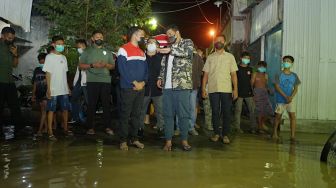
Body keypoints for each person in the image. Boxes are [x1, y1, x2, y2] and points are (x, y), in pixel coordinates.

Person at [157, 25, 194, 151]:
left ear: (177, 33)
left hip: (182, 86)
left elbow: (187, 53)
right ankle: (168, 142)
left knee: (183, 114)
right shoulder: (167, 48)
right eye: (167, 35)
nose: (169, 36)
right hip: (167, 88)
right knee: (167, 114)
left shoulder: (187, 42)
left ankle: (184, 140)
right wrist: (160, 78)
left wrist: (170, 50)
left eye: (170, 33)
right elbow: (163, 66)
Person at [202, 35, 238, 144]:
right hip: (213, 89)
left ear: (225, 42)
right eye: (217, 40)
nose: (219, 42)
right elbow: (206, 75)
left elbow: (233, 74)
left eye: (221, 40)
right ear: (214, 43)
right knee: (215, 112)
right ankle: (217, 133)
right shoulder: (210, 57)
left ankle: (226, 135)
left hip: (226, 89)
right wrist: (203, 88)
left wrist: (235, 89)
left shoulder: (230, 57)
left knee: (227, 112)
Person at [117, 27, 148, 150]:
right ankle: (123, 140)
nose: (143, 37)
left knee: (137, 114)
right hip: (128, 87)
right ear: (134, 35)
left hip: (141, 88)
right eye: (142, 35)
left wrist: (143, 82)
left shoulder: (142, 52)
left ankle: (134, 138)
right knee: (125, 114)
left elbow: (146, 70)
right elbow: (122, 69)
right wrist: (135, 82)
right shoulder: (123, 49)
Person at [79, 30, 115, 136]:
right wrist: (92, 65)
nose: (99, 38)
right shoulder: (87, 51)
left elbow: (113, 66)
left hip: (106, 81)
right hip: (92, 80)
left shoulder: (108, 52)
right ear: (92, 39)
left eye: (101, 37)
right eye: (97, 37)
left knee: (106, 105)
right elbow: (80, 66)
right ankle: (90, 127)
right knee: (91, 105)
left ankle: (107, 127)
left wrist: (105, 65)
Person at [43, 35, 72, 141]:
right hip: (54, 89)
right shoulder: (49, 57)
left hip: (63, 89)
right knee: (51, 110)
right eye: (58, 44)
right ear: (53, 44)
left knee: (65, 109)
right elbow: (48, 74)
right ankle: (50, 131)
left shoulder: (64, 58)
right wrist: (48, 89)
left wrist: (68, 87)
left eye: (62, 44)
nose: (60, 46)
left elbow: (65, 74)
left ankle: (65, 128)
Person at [0, 27, 23, 137]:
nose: (11, 40)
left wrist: (15, 54)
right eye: (9, 38)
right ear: (2, 35)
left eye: (12, 38)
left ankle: (19, 129)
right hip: (0, 81)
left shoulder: (12, 47)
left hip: (9, 81)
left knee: (15, 106)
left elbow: (15, 65)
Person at [139, 37, 164, 136]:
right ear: (146, 45)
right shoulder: (142, 57)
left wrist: (161, 79)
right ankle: (139, 128)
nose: (151, 44)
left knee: (160, 111)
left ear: (158, 46)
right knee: (141, 110)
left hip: (158, 90)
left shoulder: (161, 58)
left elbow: (164, 72)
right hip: (144, 89)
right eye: (149, 42)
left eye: (153, 43)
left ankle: (161, 128)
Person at [273, 55, 301, 141]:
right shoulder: (278, 74)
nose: (286, 63)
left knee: (293, 117)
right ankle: (274, 133)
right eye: (285, 61)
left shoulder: (294, 75)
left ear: (292, 63)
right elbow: (277, 87)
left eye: (288, 61)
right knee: (278, 117)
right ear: (283, 62)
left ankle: (292, 136)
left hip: (290, 100)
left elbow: (296, 88)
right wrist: (286, 97)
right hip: (280, 100)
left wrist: (291, 97)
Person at [233, 52, 257, 133]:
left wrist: (253, 93)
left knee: (252, 110)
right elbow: (233, 80)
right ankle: (237, 127)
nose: (246, 60)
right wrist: (234, 91)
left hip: (249, 93)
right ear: (241, 58)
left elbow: (252, 82)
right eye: (245, 58)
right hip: (239, 93)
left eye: (248, 58)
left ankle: (253, 127)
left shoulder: (251, 69)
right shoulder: (236, 68)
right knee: (238, 110)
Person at [251, 61, 273, 134]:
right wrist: (252, 94)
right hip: (257, 93)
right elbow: (251, 84)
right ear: (257, 67)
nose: (262, 68)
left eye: (263, 67)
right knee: (259, 111)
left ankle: (262, 124)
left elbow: (265, 84)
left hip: (264, 93)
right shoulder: (255, 74)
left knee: (268, 110)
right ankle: (260, 127)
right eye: (260, 66)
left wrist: (268, 89)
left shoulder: (266, 75)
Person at [70, 39, 88, 124]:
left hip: (86, 82)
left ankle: (88, 120)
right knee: (74, 98)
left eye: (79, 47)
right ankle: (76, 118)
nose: (78, 48)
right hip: (79, 81)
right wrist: (74, 82)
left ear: (84, 45)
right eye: (77, 47)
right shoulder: (80, 57)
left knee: (88, 101)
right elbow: (78, 71)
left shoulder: (90, 55)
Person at [188, 48, 204, 135]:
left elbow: (201, 71)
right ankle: (179, 127)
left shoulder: (197, 57)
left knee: (193, 108)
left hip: (193, 87)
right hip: (182, 87)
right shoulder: (181, 55)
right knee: (181, 108)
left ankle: (191, 127)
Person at [32, 53, 48, 137]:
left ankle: (40, 130)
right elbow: (35, 83)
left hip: (46, 94)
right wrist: (33, 94)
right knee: (43, 112)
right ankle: (46, 128)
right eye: (40, 60)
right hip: (38, 94)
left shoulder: (49, 69)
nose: (41, 62)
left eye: (43, 60)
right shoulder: (37, 69)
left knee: (44, 112)